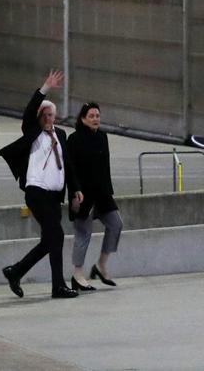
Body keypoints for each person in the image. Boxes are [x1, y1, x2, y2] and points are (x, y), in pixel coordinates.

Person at [0, 70, 81, 299]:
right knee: (57, 235)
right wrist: (45, 87)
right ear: (39, 117)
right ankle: (58, 286)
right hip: (36, 192)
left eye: (51, 115)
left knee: (51, 239)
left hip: (54, 196)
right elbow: (29, 112)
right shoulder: (33, 133)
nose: (48, 119)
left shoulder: (60, 135)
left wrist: (76, 191)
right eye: (44, 115)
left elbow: (69, 166)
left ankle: (16, 271)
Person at [67, 102, 123, 291]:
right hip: (82, 194)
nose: (95, 119)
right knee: (83, 233)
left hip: (102, 193)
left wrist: (108, 192)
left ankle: (100, 265)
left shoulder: (102, 137)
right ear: (83, 119)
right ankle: (77, 274)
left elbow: (104, 166)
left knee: (116, 224)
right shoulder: (74, 139)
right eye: (91, 116)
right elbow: (71, 169)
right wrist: (75, 192)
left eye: (97, 115)